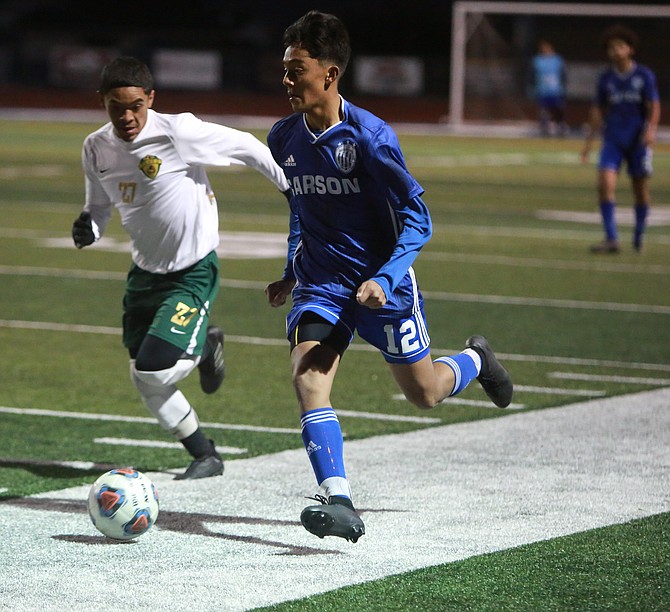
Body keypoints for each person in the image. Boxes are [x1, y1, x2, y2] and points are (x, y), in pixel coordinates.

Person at [265, 11, 513, 543]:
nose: (286, 80)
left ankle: (475, 359)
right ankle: (339, 500)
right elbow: (299, 207)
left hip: (383, 291)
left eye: (296, 70)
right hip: (323, 284)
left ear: (329, 74)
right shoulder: (282, 137)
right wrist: (291, 269)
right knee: (309, 378)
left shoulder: (372, 137)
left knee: (424, 393)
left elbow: (419, 217)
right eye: (285, 70)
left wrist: (385, 276)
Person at [72, 57, 290, 479]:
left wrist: (289, 188)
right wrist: (90, 228)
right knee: (144, 377)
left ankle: (206, 346)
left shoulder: (178, 132)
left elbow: (246, 145)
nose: (127, 116)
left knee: (154, 367)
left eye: (136, 105)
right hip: (144, 273)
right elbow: (98, 209)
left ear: (150, 99)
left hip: (191, 270)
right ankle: (204, 454)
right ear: (102, 102)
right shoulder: (95, 147)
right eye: (116, 106)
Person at [581, 25, 660, 254]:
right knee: (605, 184)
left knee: (640, 190)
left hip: (637, 141)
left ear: (630, 49)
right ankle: (611, 239)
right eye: (611, 47)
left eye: (620, 46)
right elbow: (597, 111)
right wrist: (588, 144)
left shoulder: (644, 75)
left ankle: (638, 235)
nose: (615, 50)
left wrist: (651, 130)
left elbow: (653, 105)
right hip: (613, 139)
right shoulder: (606, 79)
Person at [531, 39, 567, 137]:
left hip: (555, 91)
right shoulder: (537, 61)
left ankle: (560, 127)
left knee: (558, 110)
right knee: (543, 111)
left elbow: (563, 74)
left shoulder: (557, 60)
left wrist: (563, 87)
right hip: (543, 91)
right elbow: (532, 75)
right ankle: (544, 128)